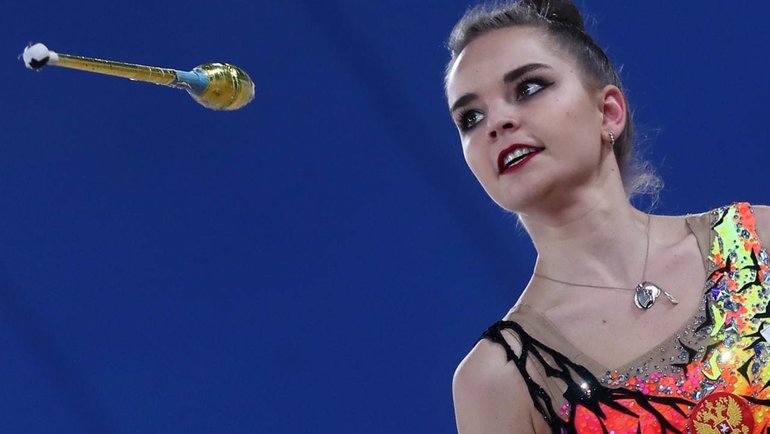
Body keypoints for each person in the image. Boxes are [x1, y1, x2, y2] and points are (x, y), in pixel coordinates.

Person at [444, 1, 770, 432]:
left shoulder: (757, 241)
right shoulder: (498, 379)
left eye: (528, 88)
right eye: (471, 117)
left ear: (609, 112)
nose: (496, 122)